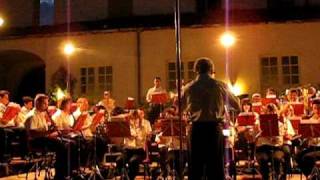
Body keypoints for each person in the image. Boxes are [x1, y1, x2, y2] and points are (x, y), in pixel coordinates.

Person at [181, 57, 240, 180]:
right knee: (215, 167)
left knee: (195, 168)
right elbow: (237, 105)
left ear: (195, 70)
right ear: (212, 69)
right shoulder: (220, 85)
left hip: (196, 129)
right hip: (213, 129)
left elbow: (179, 107)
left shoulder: (188, 87)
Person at [116, 109, 152, 180]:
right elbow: (115, 118)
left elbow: (149, 136)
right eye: (135, 115)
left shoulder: (146, 123)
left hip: (139, 150)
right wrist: (128, 115)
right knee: (119, 160)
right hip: (128, 149)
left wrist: (141, 123)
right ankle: (124, 175)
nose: (136, 117)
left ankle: (130, 177)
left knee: (133, 161)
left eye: (138, 115)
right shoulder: (128, 123)